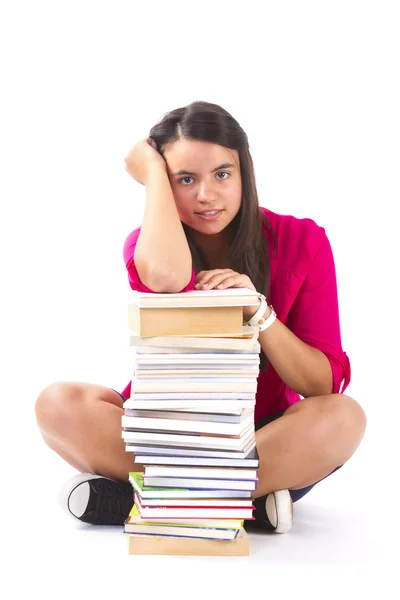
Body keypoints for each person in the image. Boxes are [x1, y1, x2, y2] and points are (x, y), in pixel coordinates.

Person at [35, 100, 367, 534]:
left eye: (222, 174)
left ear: (245, 173)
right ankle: (244, 504)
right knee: (56, 404)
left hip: (260, 442)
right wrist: (153, 174)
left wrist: (257, 310)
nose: (206, 195)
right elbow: (169, 277)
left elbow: (322, 384)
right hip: (165, 436)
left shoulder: (300, 240)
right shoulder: (149, 244)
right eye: (184, 179)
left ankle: (146, 500)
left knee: (345, 417)